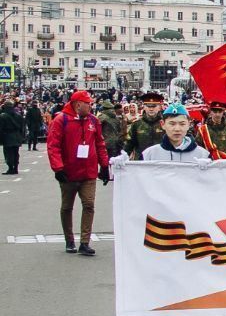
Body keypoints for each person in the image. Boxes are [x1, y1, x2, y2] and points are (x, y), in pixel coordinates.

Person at [140, 100, 211, 316]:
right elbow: (138, 186)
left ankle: (182, 314)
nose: (177, 128)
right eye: (172, 124)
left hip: (192, 226)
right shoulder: (150, 155)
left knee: (189, 277)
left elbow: (216, 189)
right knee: (166, 278)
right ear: (163, 125)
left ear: (189, 125)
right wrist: (121, 167)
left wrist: (211, 171)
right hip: (163, 226)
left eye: (182, 123)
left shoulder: (202, 155)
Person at [48, 90, 111, 255]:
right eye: (88, 103)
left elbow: (100, 143)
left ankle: (84, 242)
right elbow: (53, 145)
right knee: (67, 207)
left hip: (88, 172)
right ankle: (69, 240)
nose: (91, 106)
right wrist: (58, 168)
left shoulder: (93, 120)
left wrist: (104, 166)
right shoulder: (61, 120)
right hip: (68, 172)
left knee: (89, 205)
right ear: (77, 104)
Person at [124, 91, 166, 160]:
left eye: (154, 106)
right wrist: (123, 157)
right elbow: (129, 144)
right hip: (141, 162)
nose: (151, 109)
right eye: (148, 106)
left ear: (159, 107)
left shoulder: (165, 124)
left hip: (160, 161)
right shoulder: (137, 124)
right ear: (144, 107)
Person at [0, 101, 23, 174]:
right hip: (17, 136)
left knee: (8, 153)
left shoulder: (3, 116)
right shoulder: (18, 115)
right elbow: (22, 128)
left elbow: (1, 128)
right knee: (16, 153)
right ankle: (15, 168)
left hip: (7, 136)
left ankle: (10, 168)